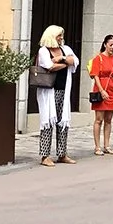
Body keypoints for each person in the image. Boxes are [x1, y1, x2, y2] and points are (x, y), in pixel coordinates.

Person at [36, 25, 77, 166]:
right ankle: (44, 156)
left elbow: (75, 61)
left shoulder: (65, 49)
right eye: (58, 35)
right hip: (49, 91)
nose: (61, 38)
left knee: (63, 122)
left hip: (63, 91)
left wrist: (61, 59)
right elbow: (49, 66)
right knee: (48, 122)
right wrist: (66, 63)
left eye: (61, 35)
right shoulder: (43, 51)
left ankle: (62, 154)